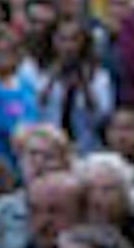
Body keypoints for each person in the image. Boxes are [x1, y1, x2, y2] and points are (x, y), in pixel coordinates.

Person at [36, 16, 115, 152]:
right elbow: (35, 108)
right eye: (62, 39)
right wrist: (51, 80)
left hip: (86, 147)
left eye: (74, 40)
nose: (68, 46)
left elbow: (102, 115)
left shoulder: (98, 76)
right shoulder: (40, 72)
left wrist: (85, 86)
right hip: (49, 145)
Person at [0, 27, 45, 170]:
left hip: (30, 155)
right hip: (1, 158)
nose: (3, 57)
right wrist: (19, 131)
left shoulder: (26, 85)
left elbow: (34, 113)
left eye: (8, 52)